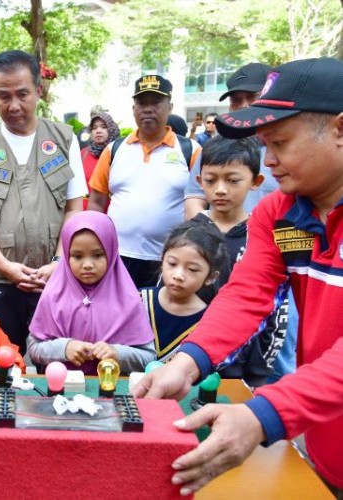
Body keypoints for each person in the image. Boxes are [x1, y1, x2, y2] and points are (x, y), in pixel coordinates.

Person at [134, 57, 343, 497]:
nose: (270, 160)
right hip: (327, 444)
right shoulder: (281, 213)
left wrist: (263, 415)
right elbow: (247, 295)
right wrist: (186, 363)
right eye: (265, 144)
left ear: (340, 130)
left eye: (280, 142)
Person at [0, 50, 87, 354]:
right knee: (0, 361)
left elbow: (74, 206)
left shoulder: (63, 139)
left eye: (22, 94)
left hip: (54, 278)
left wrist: (58, 262)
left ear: (38, 91)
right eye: (3, 96)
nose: (13, 105)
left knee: (56, 359)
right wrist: (4, 265)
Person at [88, 75, 200, 289]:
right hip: (116, 257)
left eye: (156, 102)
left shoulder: (191, 151)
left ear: (170, 107)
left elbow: (200, 206)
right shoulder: (114, 150)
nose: (148, 109)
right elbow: (96, 202)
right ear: (133, 108)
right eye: (142, 103)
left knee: (155, 320)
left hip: (168, 261)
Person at [191, 136, 286, 387]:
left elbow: (276, 314)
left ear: (256, 181)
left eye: (233, 180)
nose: (220, 189)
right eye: (211, 180)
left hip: (241, 373)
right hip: (189, 363)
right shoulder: (188, 234)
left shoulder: (262, 237)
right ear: (200, 182)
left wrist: (256, 375)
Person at [28, 211, 155, 374]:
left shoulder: (129, 299)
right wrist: (65, 348)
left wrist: (116, 353)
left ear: (111, 252)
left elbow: (149, 357)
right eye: (77, 256)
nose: (87, 264)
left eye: (98, 255)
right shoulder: (53, 296)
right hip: (62, 391)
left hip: (111, 391)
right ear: (66, 256)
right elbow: (34, 348)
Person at [184, 63, 277, 220]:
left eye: (252, 97)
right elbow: (194, 200)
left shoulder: (285, 147)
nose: (244, 106)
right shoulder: (215, 148)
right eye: (236, 100)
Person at [140, 220, 226, 361]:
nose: (178, 275)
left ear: (211, 277)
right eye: (172, 264)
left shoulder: (208, 322)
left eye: (192, 269)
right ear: (162, 261)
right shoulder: (138, 300)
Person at [80, 112, 119, 210]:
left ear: (111, 129)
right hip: (82, 213)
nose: (98, 131)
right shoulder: (83, 154)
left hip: (110, 213)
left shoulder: (118, 152)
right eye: (94, 127)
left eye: (103, 127)